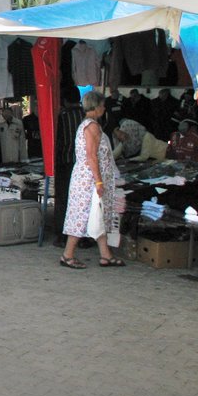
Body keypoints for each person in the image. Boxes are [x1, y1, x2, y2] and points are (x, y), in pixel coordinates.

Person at [59, 91, 124, 269]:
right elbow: (91, 156)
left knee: (98, 215)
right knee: (83, 214)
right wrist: (99, 181)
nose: (104, 108)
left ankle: (105, 255)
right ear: (95, 107)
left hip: (88, 177)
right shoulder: (92, 127)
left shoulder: (91, 125)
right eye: (102, 105)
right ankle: (67, 254)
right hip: (88, 179)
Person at [53, 88, 85, 248]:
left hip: (65, 163)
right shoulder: (87, 116)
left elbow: (57, 143)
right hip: (84, 165)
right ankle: (84, 237)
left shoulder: (62, 117)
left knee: (63, 199)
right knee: (83, 200)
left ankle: (62, 235)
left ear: (64, 101)